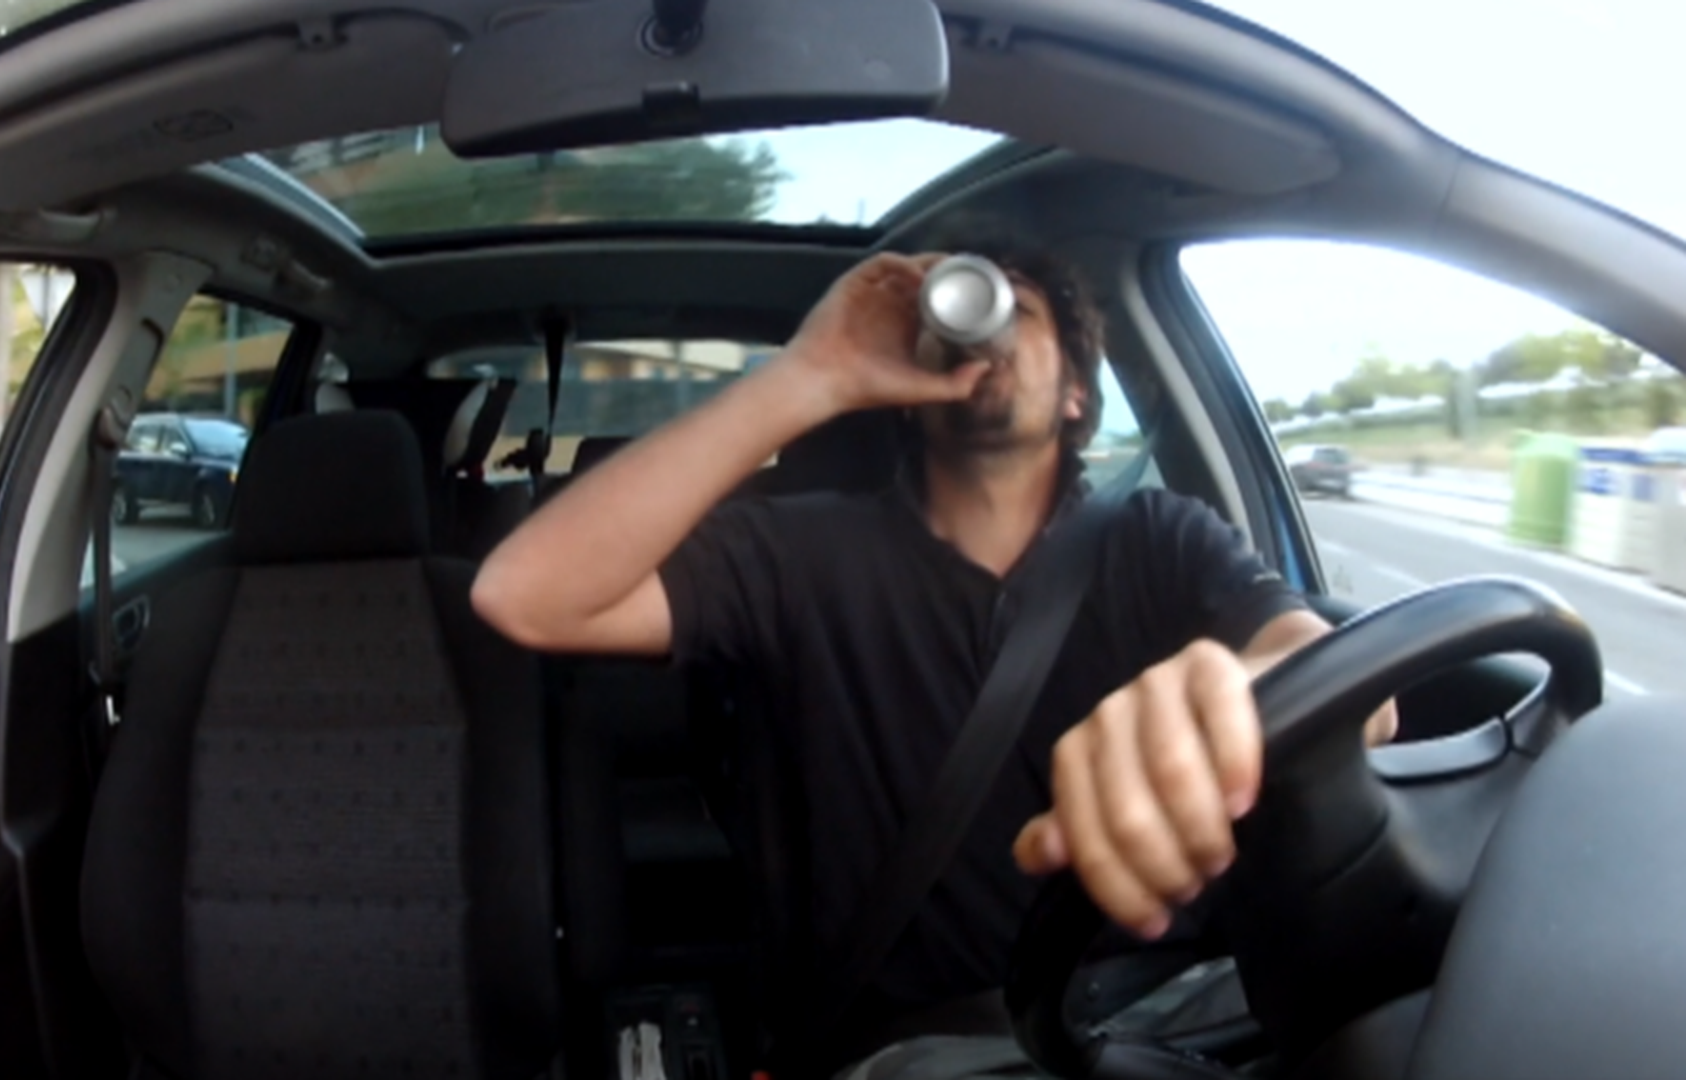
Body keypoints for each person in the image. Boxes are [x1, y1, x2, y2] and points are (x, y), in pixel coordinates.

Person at [471, 241, 1397, 1075]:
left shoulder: (1157, 538)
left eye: (1017, 311)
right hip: (913, 1048)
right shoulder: (800, 553)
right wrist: (811, 374)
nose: (986, 329)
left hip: (1172, 1025)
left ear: (1076, 395)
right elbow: (526, 595)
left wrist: (1227, 695)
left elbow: (1357, 694)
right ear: (913, 389)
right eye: (962, 308)